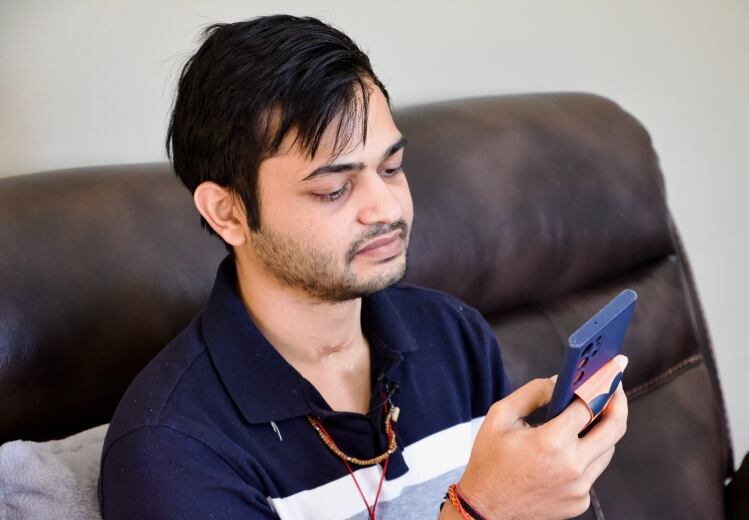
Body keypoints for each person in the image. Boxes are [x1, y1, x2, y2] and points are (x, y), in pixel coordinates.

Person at [98, 14, 627, 520]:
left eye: (392, 167)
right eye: (334, 188)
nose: (388, 209)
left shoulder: (454, 336)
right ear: (228, 212)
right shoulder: (169, 447)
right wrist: (481, 511)